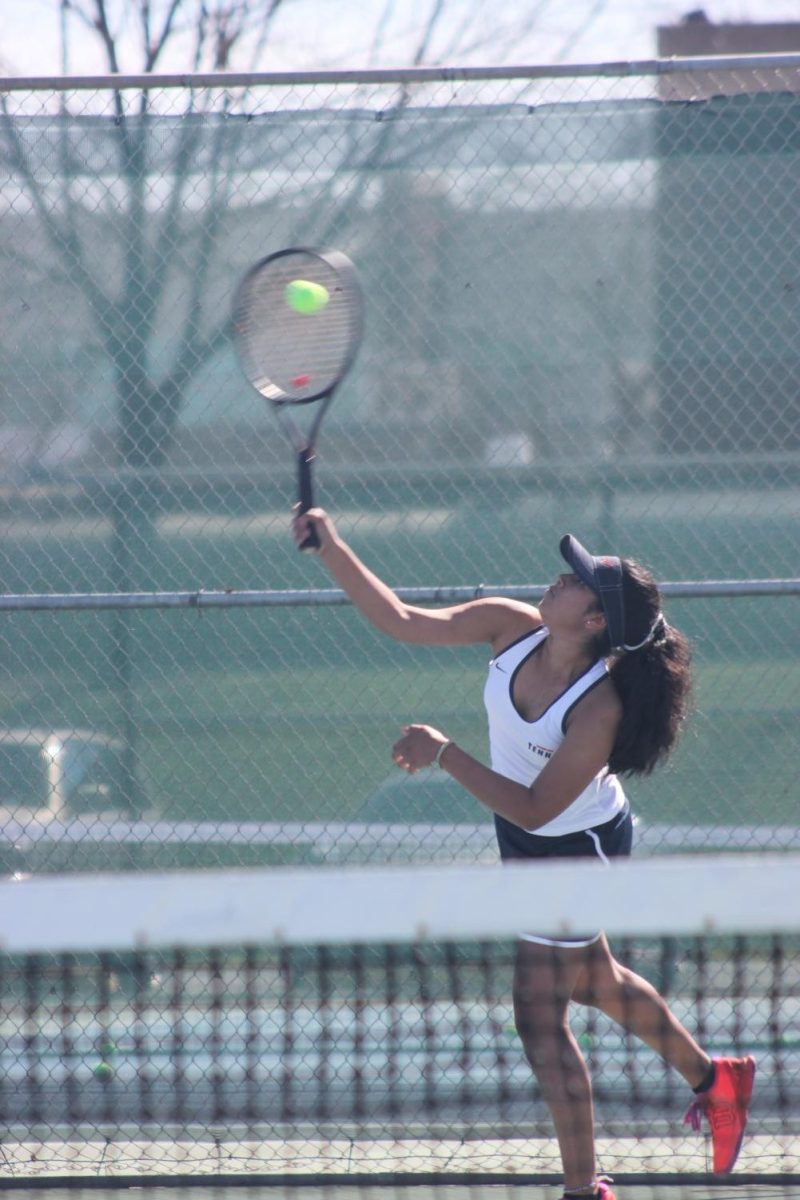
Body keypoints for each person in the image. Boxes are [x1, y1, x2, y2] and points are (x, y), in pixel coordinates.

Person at [292, 508, 756, 1200]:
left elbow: (539, 808)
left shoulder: (597, 710)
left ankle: (582, 1189)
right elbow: (401, 620)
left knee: (539, 1016)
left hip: (574, 848)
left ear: (596, 621)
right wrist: (329, 546)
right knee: (595, 981)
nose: (561, 576)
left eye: (578, 580)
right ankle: (718, 1082)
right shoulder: (509, 625)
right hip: (527, 832)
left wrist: (445, 753)